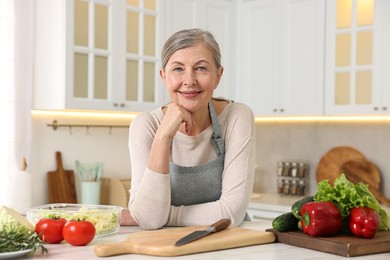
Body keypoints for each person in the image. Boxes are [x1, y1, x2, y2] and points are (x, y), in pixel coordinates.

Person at [120, 28, 255, 229]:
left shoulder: (237, 116)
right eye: (178, 69)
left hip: (227, 245)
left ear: (218, 76)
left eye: (201, 68)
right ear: (163, 76)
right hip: (166, 249)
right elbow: (148, 220)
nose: (189, 80)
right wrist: (163, 136)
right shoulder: (145, 125)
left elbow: (231, 213)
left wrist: (165, 215)